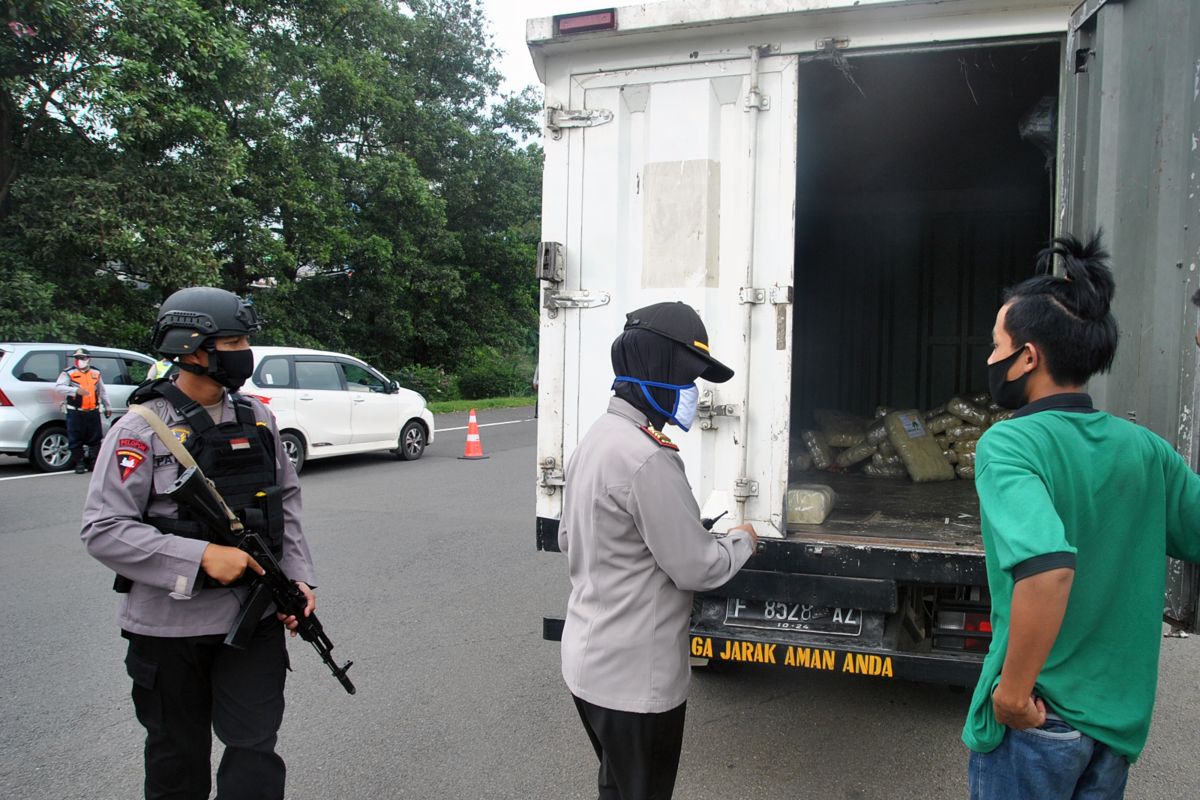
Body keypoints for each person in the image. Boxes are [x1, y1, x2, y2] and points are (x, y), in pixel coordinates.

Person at [962, 234, 1200, 799]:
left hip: (1043, 716)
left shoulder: (1011, 445)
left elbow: (1048, 568)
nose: (991, 358)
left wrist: (1013, 695)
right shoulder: (1146, 449)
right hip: (1114, 725)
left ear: (1028, 357)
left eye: (997, 345)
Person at [80, 287, 317, 800]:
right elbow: (103, 528)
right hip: (169, 630)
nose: (244, 352)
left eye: (245, 340)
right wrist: (201, 556)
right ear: (190, 349)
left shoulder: (257, 419)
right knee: (177, 760)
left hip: (252, 621)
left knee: (255, 752)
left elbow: (288, 504)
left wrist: (297, 579)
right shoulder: (140, 429)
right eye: (232, 340)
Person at [559, 301, 758, 800]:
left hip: (587, 668)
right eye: (688, 380)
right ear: (659, 368)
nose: (691, 394)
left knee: (617, 786)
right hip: (636, 685)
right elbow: (697, 566)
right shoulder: (648, 458)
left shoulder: (598, 439)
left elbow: (569, 538)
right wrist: (745, 539)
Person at [56, 347, 112, 473]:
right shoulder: (68, 372)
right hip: (76, 411)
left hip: (92, 411)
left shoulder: (96, 373)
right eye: (76, 358)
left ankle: (93, 463)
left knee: (95, 439)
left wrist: (108, 406)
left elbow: (102, 391)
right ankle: (79, 463)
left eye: (82, 358)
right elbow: (59, 387)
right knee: (75, 439)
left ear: (88, 359)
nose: (79, 360)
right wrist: (75, 390)